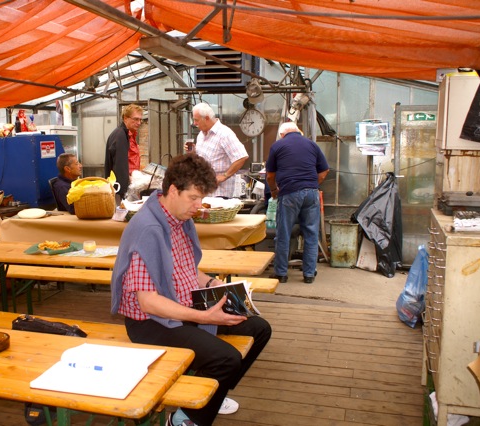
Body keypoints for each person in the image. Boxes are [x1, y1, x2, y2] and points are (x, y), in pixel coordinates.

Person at [111, 153, 272, 426]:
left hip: (183, 306)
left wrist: (213, 284)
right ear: (173, 190)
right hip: (151, 322)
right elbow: (148, 302)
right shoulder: (147, 229)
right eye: (194, 198)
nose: (198, 206)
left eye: (201, 198)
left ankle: (213, 393)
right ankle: (184, 418)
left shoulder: (178, 219)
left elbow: (188, 269)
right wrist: (205, 316)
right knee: (227, 359)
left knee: (259, 329)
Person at [265, 121, 329, 284]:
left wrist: (273, 190)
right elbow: (324, 170)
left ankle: (281, 274)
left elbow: (270, 175)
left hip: (289, 193)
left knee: (283, 234)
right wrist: (312, 184)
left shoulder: (278, 146)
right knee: (311, 234)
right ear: (297, 131)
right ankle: (309, 274)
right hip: (312, 193)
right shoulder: (312, 145)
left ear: (282, 134)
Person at [192, 103, 249, 198]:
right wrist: (193, 151)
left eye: (196, 120)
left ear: (206, 118)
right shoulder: (201, 135)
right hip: (204, 192)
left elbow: (242, 156)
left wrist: (224, 176)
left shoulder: (224, 134)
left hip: (220, 193)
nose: (194, 123)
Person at [104, 104, 143, 201]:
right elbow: (120, 166)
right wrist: (124, 193)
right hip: (122, 189)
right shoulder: (120, 135)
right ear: (125, 118)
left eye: (140, 120)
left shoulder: (127, 134)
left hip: (128, 185)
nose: (139, 123)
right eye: (136, 119)